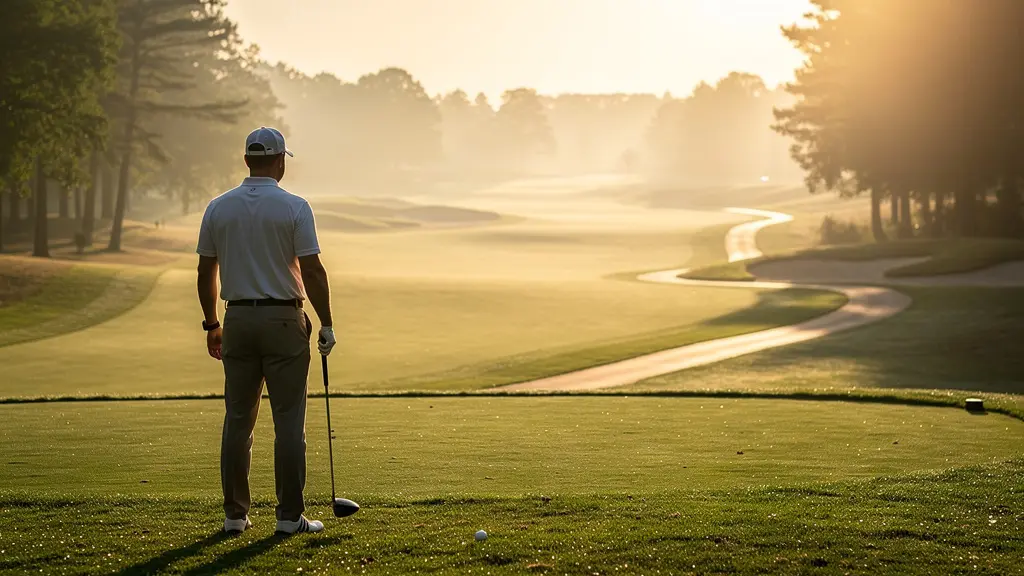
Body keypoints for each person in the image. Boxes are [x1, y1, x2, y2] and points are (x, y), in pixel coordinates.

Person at [195, 126, 337, 535]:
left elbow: (207, 270)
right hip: (283, 320)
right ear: (279, 162)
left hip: (237, 319)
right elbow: (311, 269)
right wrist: (326, 322)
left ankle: (234, 516)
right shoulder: (295, 206)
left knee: (238, 420)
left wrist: (211, 324)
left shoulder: (218, 207)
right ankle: (290, 517)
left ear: (246, 161)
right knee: (289, 422)